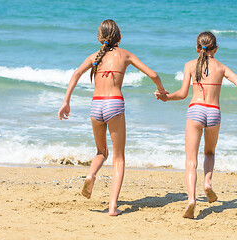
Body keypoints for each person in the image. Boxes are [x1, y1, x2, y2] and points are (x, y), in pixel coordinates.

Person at [58, 19, 167, 216]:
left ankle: (91, 175)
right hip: (114, 104)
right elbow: (153, 73)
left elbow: (75, 74)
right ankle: (112, 206)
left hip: (95, 105)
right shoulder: (125, 54)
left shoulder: (94, 56)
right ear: (120, 37)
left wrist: (66, 101)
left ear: (99, 38)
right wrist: (161, 90)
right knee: (118, 158)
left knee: (101, 152)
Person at [155, 31, 237, 218]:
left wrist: (165, 97)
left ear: (197, 47)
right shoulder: (221, 67)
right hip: (214, 112)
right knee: (209, 152)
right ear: (215, 49)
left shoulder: (190, 65)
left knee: (191, 160)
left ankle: (192, 198)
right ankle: (207, 183)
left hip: (196, 111)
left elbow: (183, 94)